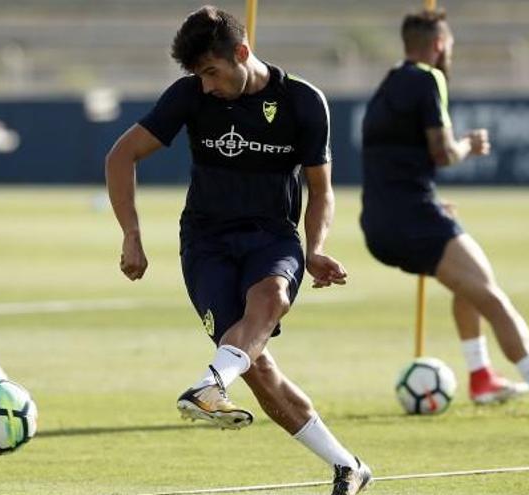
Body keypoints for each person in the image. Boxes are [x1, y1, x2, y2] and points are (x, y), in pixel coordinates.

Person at [105, 6, 371, 494]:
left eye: (211, 71)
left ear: (242, 53)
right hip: (205, 242)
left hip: (273, 236)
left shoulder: (304, 102)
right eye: (196, 75)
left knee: (269, 299)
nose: (205, 85)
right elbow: (121, 155)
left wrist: (315, 249)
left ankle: (210, 384)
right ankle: (348, 465)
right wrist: (132, 234)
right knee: (254, 362)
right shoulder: (189, 96)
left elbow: (322, 190)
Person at [359, 9, 529, 417]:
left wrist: (428, 200)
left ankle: (482, 377)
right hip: (413, 217)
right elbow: (443, 152)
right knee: (492, 296)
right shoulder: (429, 78)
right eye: (449, 44)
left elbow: (394, 159)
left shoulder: (388, 84)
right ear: (438, 44)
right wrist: (469, 145)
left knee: (469, 286)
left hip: (381, 221)